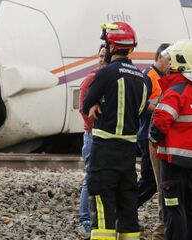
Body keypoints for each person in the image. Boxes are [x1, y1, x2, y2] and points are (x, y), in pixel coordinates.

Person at [82, 22, 148, 240]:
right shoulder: (142, 78)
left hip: (105, 150)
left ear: (111, 45)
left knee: (102, 204)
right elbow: (139, 110)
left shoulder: (106, 73)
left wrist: (96, 104)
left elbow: (86, 104)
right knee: (127, 205)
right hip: (128, 152)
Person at [150, 39, 192, 240]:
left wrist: (155, 140)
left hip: (173, 163)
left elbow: (160, 123)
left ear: (181, 62)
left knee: (173, 209)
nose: (169, 64)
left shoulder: (175, 92)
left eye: (172, 60)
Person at [138, 43, 170, 238]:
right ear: (159, 57)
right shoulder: (149, 75)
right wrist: (161, 108)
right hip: (147, 134)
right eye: (168, 60)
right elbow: (141, 104)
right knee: (150, 180)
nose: (170, 64)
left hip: (156, 135)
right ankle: (124, 211)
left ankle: (124, 211)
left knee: (151, 181)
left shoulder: (164, 76)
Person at [77, 44, 106, 238]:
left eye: (105, 55)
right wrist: (94, 128)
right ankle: (85, 219)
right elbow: (82, 108)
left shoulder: (108, 77)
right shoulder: (91, 79)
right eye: (101, 55)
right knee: (91, 178)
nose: (103, 58)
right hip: (93, 137)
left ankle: (95, 218)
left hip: (100, 137)